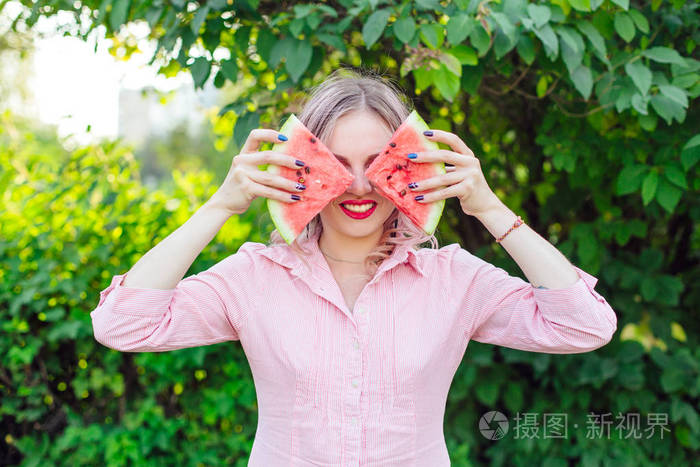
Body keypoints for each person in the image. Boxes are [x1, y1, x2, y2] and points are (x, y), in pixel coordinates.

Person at [91, 68, 618, 466]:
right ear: (301, 166)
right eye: (337, 165)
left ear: (413, 168)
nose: (361, 186)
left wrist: (489, 209)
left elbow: (585, 325)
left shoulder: (454, 280)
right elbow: (121, 324)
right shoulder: (253, 277)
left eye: (381, 165)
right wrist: (219, 207)